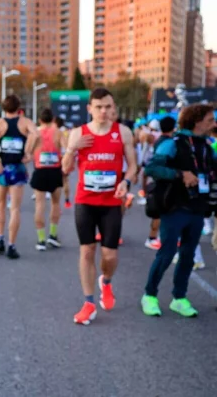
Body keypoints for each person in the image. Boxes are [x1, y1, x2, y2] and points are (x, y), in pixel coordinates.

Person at [62, 88, 137, 325]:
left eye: (108, 107)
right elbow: (65, 168)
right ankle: (89, 302)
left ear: (112, 107)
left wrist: (125, 181)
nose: (104, 111)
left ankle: (105, 281)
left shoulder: (122, 132)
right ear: (90, 109)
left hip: (111, 202)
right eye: (99, 107)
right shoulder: (78, 133)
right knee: (86, 251)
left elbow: (134, 167)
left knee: (110, 255)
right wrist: (73, 148)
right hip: (85, 201)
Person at [140, 104, 216, 318]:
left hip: (197, 208)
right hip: (174, 207)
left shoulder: (206, 147)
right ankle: (149, 295)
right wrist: (180, 174)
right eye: (210, 120)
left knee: (188, 255)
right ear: (197, 121)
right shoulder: (173, 144)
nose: (214, 124)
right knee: (167, 253)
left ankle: (179, 298)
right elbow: (152, 168)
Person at [0, 95, 36, 259]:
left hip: (2, 167)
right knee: (14, 208)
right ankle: (11, 245)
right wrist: (28, 152)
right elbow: (36, 134)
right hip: (18, 167)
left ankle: (0, 238)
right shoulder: (25, 122)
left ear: (4, 108)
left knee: (0, 203)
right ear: (19, 107)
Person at [28, 108, 64, 251]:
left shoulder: (35, 133)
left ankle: (41, 239)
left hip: (40, 170)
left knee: (39, 205)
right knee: (55, 203)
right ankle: (53, 236)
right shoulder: (58, 132)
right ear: (53, 119)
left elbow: (28, 151)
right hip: (55, 170)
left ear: (40, 120)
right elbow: (67, 149)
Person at [143, 116, 176, 250]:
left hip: (159, 182)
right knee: (159, 213)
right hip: (162, 183)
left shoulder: (160, 140)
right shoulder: (165, 142)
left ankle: (157, 237)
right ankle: (152, 238)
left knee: (162, 213)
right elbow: (150, 166)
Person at [55, 117, 72, 208]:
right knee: (65, 180)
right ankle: (67, 200)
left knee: (57, 181)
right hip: (65, 156)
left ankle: (56, 203)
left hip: (58, 156)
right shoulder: (67, 131)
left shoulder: (56, 132)